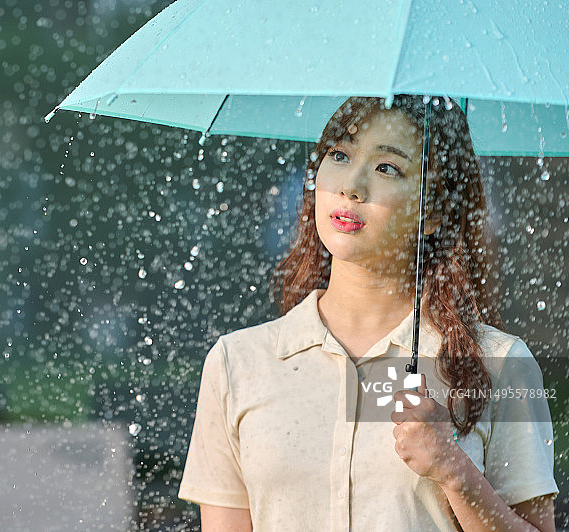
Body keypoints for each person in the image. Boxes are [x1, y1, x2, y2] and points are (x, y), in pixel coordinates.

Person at [177, 95, 559, 531]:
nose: (352, 185)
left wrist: (456, 473)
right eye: (339, 154)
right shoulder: (239, 362)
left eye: (386, 168)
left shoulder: (499, 363)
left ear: (431, 211)